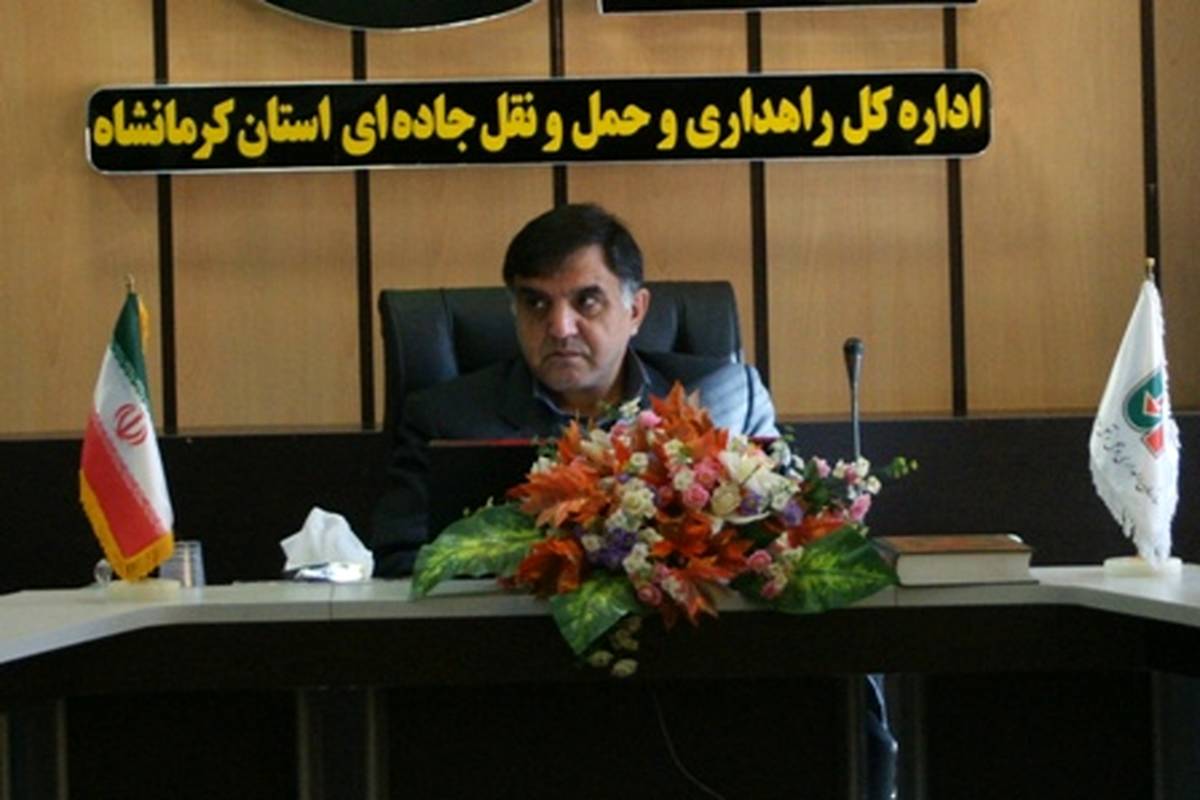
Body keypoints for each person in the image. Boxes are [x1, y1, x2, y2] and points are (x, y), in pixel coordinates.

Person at [369, 202, 895, 800]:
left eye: (586, 301)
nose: (559, 326)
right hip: (514, 703)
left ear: (636, 310)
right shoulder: (447, 418)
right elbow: (400, 560)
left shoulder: (725, 397)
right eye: (535, 303)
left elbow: (787, 543)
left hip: (711, 695)